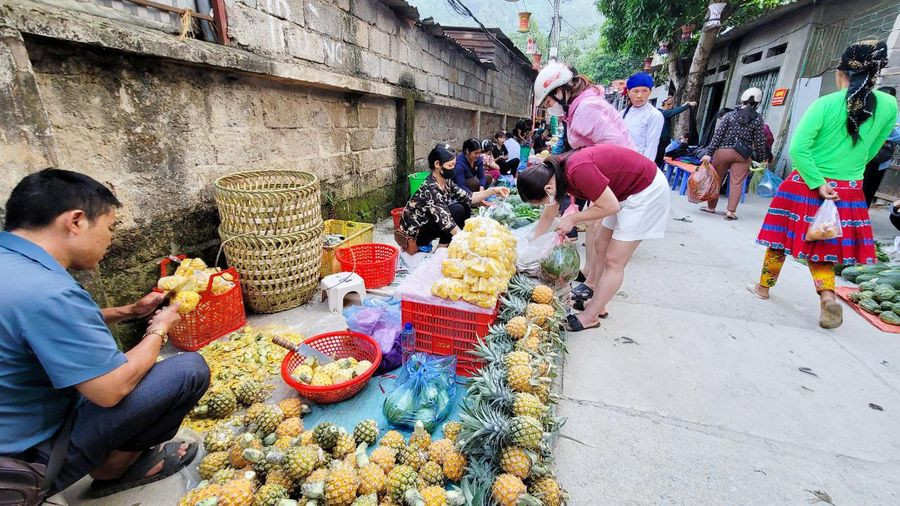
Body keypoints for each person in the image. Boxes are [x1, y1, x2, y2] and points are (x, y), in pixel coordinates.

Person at [0, 169, 210, 498]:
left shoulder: (14, 267)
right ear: (76, 221)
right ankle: (114, 467)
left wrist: (128, 311)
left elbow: (42, 323)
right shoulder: (50, 291)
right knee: (188, 370)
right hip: (23, 468)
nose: (110, 240)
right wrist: (159, 329)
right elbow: (110, 390)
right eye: (110, 228)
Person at [752, 40, 897, 329]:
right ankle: (827, 295)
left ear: (842, 73)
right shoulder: (889, 105)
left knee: (779, 240)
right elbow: (872, 150)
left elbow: (799, 149)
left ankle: (763, 288)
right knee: (822, 246)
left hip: (804, 184)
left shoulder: (825, 104)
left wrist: (818, 182)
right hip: (848, 190)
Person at [517, 144, 671, 332]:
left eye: (541, 201)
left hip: (646, 191)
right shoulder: (553, 173)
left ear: (548, 188)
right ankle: (598, 303)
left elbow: (611, 206)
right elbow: (547, 217)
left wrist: (573, 218)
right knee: (600, 245)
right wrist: (532, 248)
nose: (545, 204)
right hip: (622, 192)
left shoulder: (577, 170)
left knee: (614, 260)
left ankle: (591, 316)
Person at [400, 145, 509, 252]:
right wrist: (470, 242)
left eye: (454, 164)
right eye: (450, 165)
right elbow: (446, 222)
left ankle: (445, 246)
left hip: (430, 224)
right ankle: (440, 250)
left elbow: (468, 197)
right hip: (416, 233)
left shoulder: (446, 182)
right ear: (437, 164)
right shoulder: (431, 188)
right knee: (456, 210)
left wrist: (493, 191)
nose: (453, 168)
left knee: (464, 206)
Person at [533, 61, 636, 152]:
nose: (548, 107)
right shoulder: (577, 108)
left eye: (548, 102)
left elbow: (615, 150)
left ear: (560, 92)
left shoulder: (586, 109)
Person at [700, 87, 769, 220]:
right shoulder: (758, 119)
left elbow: (717, 136)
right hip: (743, 155)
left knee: (716, 179)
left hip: (723, 151)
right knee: (737, 183)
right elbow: (760, 141)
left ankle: (711, 207)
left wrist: (709, 153)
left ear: (742, 99)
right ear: (758, 103)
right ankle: (730, 211)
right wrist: (762, 158)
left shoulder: (729, 115)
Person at [862, 86, 898, 205]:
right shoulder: (867, 112)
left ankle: (863, 213)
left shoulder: (895, 115)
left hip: (882, 159)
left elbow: (898, 135)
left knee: (870, 189)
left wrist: (882, 133)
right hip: (864, 158)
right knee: (859, 187)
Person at [621, 73, 666, 162]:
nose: (640, 95)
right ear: (628, 92)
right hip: (620, 160)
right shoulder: (622, 114)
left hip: (638, 162)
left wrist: (644, 168)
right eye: (636, 91)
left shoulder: (654, 115)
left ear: (650, 92)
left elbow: (651, 146)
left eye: (645, 91)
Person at [656, 96, 697, 165]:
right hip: (660, 141)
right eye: (669, 104)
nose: (671, 106)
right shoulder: (661, 113)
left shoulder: (664, 113)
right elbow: (674, 111)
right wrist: (687, 105)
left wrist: (685, 105)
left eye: (672, 105)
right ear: (665, 103)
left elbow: (675, 110)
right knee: (657, 161)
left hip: (663, 142)